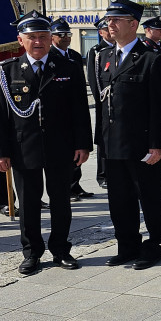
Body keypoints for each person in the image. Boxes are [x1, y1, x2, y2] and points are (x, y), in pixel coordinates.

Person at [0, 11, 92, 274]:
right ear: (20, 40)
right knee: (29, 203)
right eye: (32, 37)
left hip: (61, 147)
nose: (38, 42)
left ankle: (61, 249)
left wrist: (83, 144)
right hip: (24, 148)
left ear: (50, 39)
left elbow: (80, 109)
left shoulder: (68, 66)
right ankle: (31, 252)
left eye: (43, 37)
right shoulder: (5, 71)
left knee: (61, 201)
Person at [96, 0, 161, 270]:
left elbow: (159, 105)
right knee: (119, 199)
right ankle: (126, 245)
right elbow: (102, 102)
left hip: (142, 145)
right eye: (109, 20)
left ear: (133, 24)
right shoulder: (103, 57)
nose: (110, 24)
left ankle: (152, 245)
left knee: (149, 197)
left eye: (116, 20)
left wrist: (157, 144)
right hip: (112, 143)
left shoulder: (151, 58)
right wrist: (99, 140)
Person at [50, 17, 94, 202]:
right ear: (52, 37)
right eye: (61, 34)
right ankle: (66, 189)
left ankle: (75, 185)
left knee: (76, 154)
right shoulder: (51, 56)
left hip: (74, 111)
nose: (66, 37)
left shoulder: (74, 56)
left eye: (68, 34)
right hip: (58, 114)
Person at [86, 18, 114, 189]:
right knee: (103, 141)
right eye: (106, 29)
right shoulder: (96, 51)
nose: (110, 31)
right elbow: (94, 78)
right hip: (104, 102)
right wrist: (101, 100)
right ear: (100, 32)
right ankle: (102, 175)